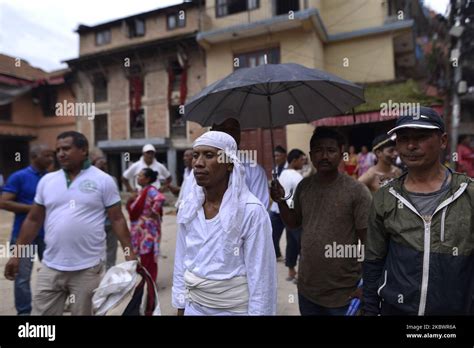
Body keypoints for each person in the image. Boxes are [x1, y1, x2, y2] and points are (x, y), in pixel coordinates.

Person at [4, 131, 137, 315]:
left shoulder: (103, 180)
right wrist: (16, 255)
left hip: (88, 269)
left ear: (83, 150)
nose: (60, 154)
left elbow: (117, 218)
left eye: (66, 148)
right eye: (58, 149)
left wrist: (130, 255)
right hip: (50, 267)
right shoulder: (47, 181)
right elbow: (33, 220)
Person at [363, 107, 474, 315]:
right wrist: (369, 310)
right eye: (403, 138)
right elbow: (373, 261)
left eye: (421, 137)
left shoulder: (467, 193)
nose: (411, 145)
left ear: (443, 141)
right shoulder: (386, 197)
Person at [172, 131, 277, 315]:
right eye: (196, 155)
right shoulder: (188, 207)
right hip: (193, 307)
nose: (198, 163)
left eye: (209, 155)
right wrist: (181, 306)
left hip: (234, 311)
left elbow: (261, 280)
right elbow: (181, 261)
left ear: (229, 164)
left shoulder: (251, 211)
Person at [270, 127, 372, 316]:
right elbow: (293, 223)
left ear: (342, 154)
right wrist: (281, 201)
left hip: (344, 293)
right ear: (310, 155)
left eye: (331, 150)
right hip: (308, 290)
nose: (324, 156)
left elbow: (369, 242)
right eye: (318, 150)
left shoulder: (356, 191)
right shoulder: (304, 186)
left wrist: (367, 285)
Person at [0, 144, 54, 315]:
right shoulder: (19, 177)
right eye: (46, 155)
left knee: (53, 275)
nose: (51, 159)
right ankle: (24, 313)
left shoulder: (52, 178)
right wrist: (33, 209)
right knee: (22, 277)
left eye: (51, 155)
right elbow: (4, 202)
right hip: (24, 235)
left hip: (48, 236)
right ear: (34, 157)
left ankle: (49, 309)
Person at [211, 118, 270, 208]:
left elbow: (260, 211)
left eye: (232, 130)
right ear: (212, 132)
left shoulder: (255, 171)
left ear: (239, 134)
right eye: (222, 130)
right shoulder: (201, 169)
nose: (228, 135)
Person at [128, 168, 166, 283]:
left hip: (147, 230)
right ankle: (147, 281)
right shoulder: (141, 191)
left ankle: (150, 283)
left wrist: (153, 213)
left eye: (140, 176)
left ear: (147, 179)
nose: (137, 178)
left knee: (147, 255)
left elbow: (160, 198)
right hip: (140, 230)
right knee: (143, 256)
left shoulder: (150, 190)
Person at [277, 149, 306, 282]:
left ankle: (291, 271)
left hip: (286, 214)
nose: (303, 163)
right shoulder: (297, 177)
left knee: (291, 243)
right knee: (302, 244)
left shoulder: (282, 174)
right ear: (294, 160)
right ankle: (301, 274)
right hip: (297, 214)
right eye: (301, 160)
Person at [92, 155, 119, 270]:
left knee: (111, 249)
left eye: (105, 163)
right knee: (96, 250)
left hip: (111, 223)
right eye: (100, 163)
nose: (103, 165)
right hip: (96, 223)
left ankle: (110, 272)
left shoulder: (112, 180)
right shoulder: (89, 181)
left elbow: (116, 201)